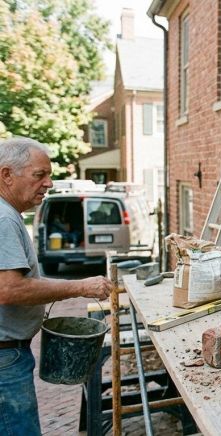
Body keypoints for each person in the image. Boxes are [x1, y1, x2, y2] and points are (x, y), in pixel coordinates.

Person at [0, 137, 113, 436]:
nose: (49, 183)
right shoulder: (3, 219)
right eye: (40, 175)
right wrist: (81, 287)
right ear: (6, 175)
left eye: (48, 175)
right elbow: (10, 290)